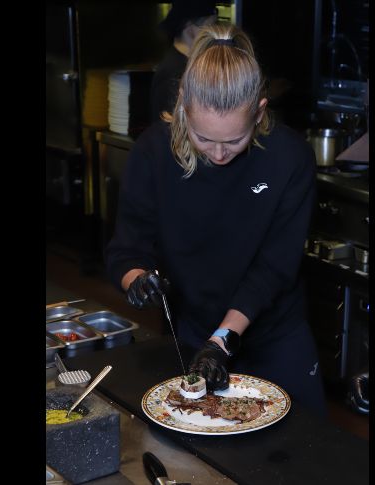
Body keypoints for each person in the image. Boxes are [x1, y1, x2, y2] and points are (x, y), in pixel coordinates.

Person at [105, 23, 326, 417]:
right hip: (193, 336)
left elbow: (275, 267)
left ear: (258, 112)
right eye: (204, 139)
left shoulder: (289, 157)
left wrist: (223, 339)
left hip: (274, 335)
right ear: (183, 104)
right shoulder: (152, 153)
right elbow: (127, 248)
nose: (219, 155)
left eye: (233, 141)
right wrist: (136, 279)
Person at [150, 0, 218, 123]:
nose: (213, 34)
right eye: (210, 26)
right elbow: (170, 131)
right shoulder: (173, 73)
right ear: (190, 29)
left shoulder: (189, 65)